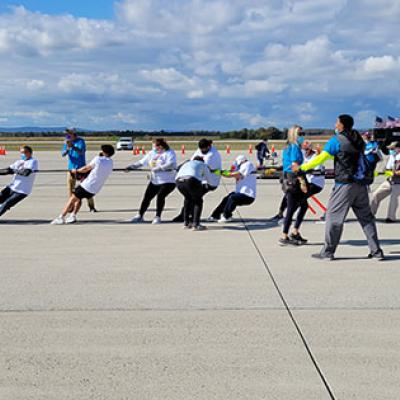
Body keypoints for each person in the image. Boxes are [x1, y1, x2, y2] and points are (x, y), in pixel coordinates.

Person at [299, 114, 384, 260]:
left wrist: (303, 167)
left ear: (342, 125)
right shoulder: (358, 140)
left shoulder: (336, 140)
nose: (335, 124)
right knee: (366, 219)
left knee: (334, 218)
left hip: (344, 185)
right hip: (361, 185)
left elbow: (321, 158)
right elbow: (347, 156)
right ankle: (376, 251)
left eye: (337, 122)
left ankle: (327, 252)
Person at [51, 145, 115, 225]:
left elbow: (86, 168)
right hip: (95, 189)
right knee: (78, 198)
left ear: (104, 152)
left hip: (87, 185)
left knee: (72, 199)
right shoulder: (111, 162)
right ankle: (72, 216)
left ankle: (61, 217)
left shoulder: (98, 159)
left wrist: (76, 171)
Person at [127, 138, 176, 224]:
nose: (153, 147)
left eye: (155, 145)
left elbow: (171, 164)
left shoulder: (169, 152)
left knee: (160, 196)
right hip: (155, 180)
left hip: (168, 181)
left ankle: (158, 216)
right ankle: (140, 215)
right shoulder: (152, 153)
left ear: (160, 146)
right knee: (147, 197)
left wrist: (159, 168)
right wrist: (132, 167)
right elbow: (142, 162)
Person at [172, 139, 222, 223]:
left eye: (204, 149)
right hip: (198, 179)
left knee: (194, 198)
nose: (202, 151)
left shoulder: (212, 155)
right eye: (201, 149)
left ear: (209, 147)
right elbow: (193, 160)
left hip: (209, 180)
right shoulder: (200, 150)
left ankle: (188, 218)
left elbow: (208, 170)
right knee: (190, 197)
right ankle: (186, 217)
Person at [278, 126, 309, 246]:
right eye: (300, 133)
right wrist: (302, 182)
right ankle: (285, 235)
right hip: (293, 179)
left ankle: (295, 231)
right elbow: (294, 166)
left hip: (287, 177)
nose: (303, 135)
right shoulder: (295, 147)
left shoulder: (288, 147)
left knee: (303, 205)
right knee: (292, 208)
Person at [209, 155, 256, 223]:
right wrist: (216, 171)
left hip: (248, 195)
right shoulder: (241, 166)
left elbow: (234, 174)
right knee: (226, 198)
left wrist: (221, 172)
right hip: (240, 193)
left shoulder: (248, 164)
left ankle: (227, 216)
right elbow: (230, 172)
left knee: (232, 198)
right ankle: (215, 215)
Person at [175, 156, 215, 230]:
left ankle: (186, 223)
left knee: (187, 199)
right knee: (198, 201)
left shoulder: (187, 163)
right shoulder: (202, 164)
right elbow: (209, 178)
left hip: (178, 181)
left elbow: (177, 169)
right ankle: (196, 224)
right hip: (191, 180)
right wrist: (210, 185)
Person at [61, 128, 96, 212]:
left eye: (69, 135)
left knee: (87, 188)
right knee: (70, 189)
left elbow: (81, 152)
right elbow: (63, 154)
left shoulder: (80, 141)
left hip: (82, 169)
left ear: (74, 134)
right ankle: (71, 206)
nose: (67, 137)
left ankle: (91, 206)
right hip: (71, 169)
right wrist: (67, 148)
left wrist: (73, 146)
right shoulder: (67, 142)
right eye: (66, 135)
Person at [0, 146, 38, 217]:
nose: (22, 154)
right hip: (12, 187)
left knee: (7, 204)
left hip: (22, 190)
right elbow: (7, 170)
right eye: (21, 153)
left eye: (24, 153)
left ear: (29, 153)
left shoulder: (33, 161)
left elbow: (26, 173)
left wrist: (14, 171)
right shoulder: (19, 162)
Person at [370, 141, 400, 223]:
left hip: (398, 183)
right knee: (376, 195)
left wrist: (395, 172)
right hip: (390, 181)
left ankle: (391, 218)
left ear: (398, 148)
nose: (391, 150)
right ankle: (370, 215)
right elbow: (387, 168)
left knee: (393, 200)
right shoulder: (392, 156)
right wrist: (381, 172)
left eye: (392, 148)